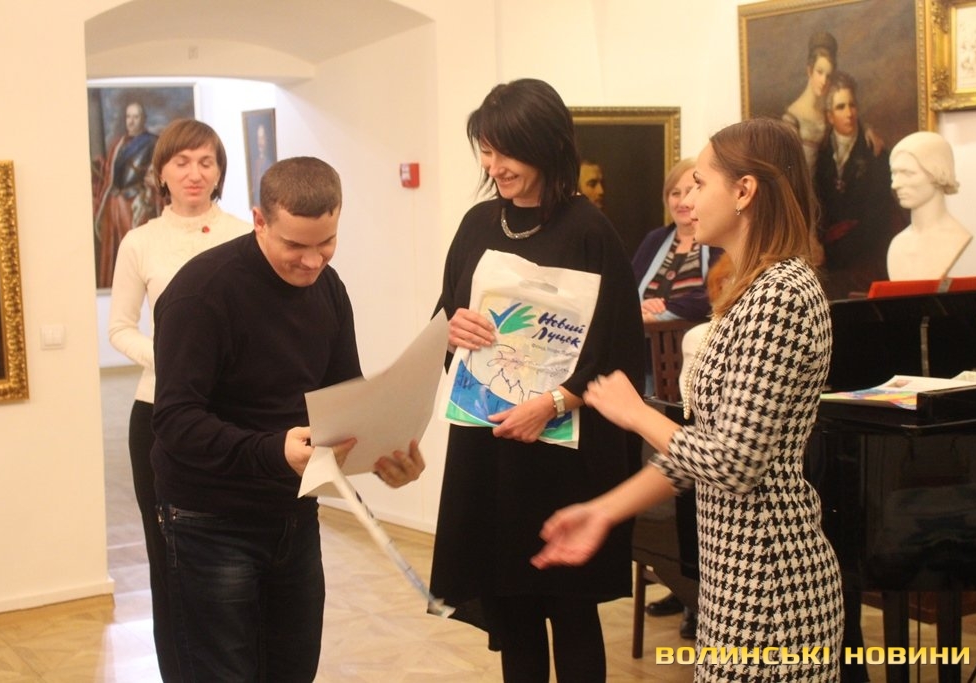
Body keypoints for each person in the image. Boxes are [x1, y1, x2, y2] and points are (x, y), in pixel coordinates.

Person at [532, 118, 844, 682]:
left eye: (699, 184)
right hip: (735, 579)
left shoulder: (782, 295)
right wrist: (604, 511)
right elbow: (698, 451)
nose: (687, 201)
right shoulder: (751, 290)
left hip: (772, 585)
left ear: (744, 191)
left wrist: (636, 413)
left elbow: (734, 462)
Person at [150, 156, 426, 682]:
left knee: (293, 672)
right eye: (295, 245)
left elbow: (344, 395)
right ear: (259, 220)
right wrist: (273, 450)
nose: (312, 261)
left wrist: (384, 453)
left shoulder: (329, 287)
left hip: (293, 514)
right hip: (210, 520)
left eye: (327, 242)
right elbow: (176, 422)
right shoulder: (201, 293)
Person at [429, 78, 645, 683]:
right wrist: (452, 331)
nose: (494, 166)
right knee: (513, 613)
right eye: (486, 151)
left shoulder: (590, 231)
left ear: (547, 147)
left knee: (571, 614)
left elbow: (620, 355)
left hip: (561, 457)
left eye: (507, 152)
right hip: (490, 451)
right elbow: (443, 323)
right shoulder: (476, 225)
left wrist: (551, 403)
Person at [107, 118, 252, 680]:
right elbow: (120, 328)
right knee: (169, 555)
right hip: (160, 413)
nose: (195, 173)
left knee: (238, 555)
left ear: (220, 172)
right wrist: (174, 362)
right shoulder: (140, 241)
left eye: (206, 162)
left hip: (236, 415)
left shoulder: (247, 235)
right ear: (161, 173)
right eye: (182, 162)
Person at [813, 71, 903, 299]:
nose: (849, 113)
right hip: (830, 262)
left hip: (866, 258)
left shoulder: (875, 153)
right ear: (830, 116)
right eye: (841, 107)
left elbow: (877, 217)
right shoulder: (821, 152)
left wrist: (832, 250)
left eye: (852, 105)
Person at [633, 157, 723, 322]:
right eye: (675, 193)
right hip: (643, 336)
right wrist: (641, 309)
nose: (682, 201)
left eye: (690, 191)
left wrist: (661, 311)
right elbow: (628, 290)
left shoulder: (717, 239)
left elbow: (713, 294)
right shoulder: (654, 239)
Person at [94, 101, 163, 288]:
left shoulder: (153, 143)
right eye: (128, 117)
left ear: (143, 119)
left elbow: (156, 175)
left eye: (136, 117)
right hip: (114, 203)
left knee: (135, 250)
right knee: (115, 249)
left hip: (135, 204)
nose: (131, 121)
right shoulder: (118, 144)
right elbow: (110, 176)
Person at [887, 131, 971, 280]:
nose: (895, 184)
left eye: (908, 173)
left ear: (937, 172)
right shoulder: (897, 245)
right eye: (894, 173)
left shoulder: (957, 239)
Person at [783, 32, 838, 170]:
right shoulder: (792, 117)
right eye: (820, 72)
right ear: (809, 71)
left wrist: (867, 130)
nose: (824, 81)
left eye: (828, 76)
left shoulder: (826, 114)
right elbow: (789, 167)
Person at [249, 122, 274, 208]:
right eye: (258, 139)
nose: (260, 143)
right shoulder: (255, 162)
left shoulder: (269, 164)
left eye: (262, 138)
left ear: (267, 139)